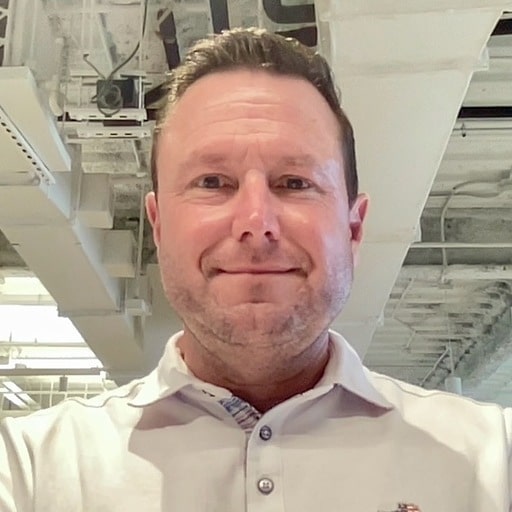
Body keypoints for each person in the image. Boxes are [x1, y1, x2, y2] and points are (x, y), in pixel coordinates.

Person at [0, 27, 510, 512]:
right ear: (158, 226)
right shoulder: (27, 472)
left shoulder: (493, 463)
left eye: (294, 183)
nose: (255, 222)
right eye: (212, 182)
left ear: (353, 230)